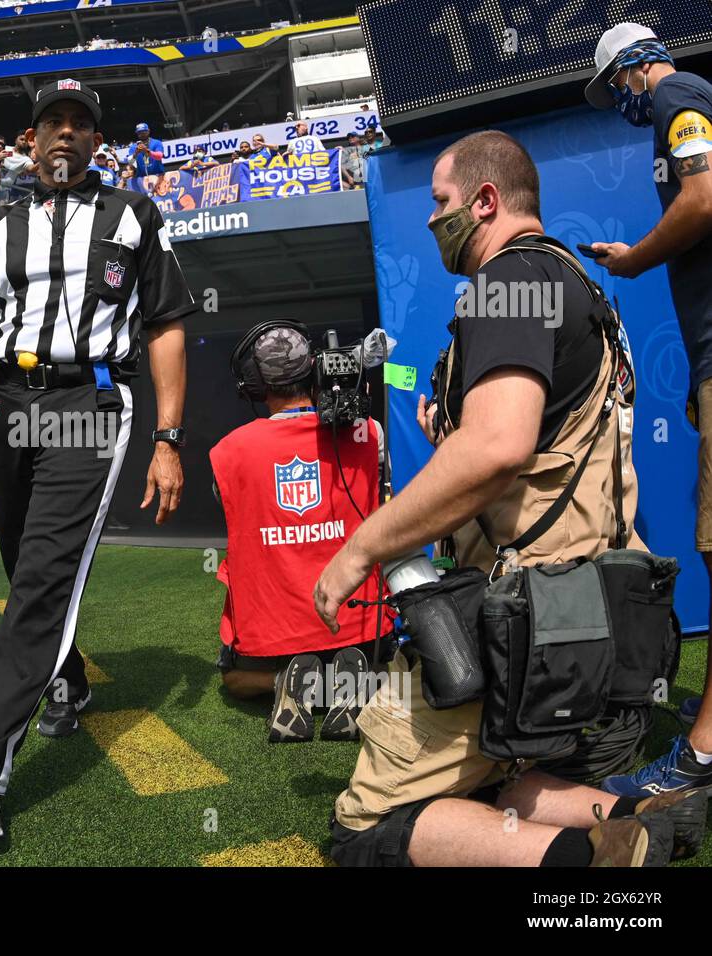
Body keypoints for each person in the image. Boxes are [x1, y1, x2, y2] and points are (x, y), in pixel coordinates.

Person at [314, 130, 691, 867]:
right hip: (598, 623)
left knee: (363, 831)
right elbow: (543, 444)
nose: (430, 220)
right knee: (494, 791)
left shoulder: (506, 283)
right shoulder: (575, 285)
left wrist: (361, 548)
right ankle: (643, 812)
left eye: (441, 202)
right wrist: (454, 424)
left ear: (485, 201)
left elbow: (499, 448)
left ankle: (602, 862)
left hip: (523, 623)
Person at [0, 79, 194, 839]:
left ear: (96, 141)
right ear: (31, 140)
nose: (65, 133)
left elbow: (163, 326)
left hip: (86, 408)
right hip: (9, 406)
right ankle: (68, 679)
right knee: (19, 560)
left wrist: (167, 438)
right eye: (51, 123)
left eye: (79, 124)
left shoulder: (135, 215)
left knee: (37, 587)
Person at [583, 23, 712, 796]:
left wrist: (634, 257)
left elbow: (703, 196)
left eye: (614, 89)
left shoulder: (677, 96)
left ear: (634, 66)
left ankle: (702, 753)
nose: (618, 105)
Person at [211, 322, 390, 742]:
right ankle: (350, 680)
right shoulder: (370, 434)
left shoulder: (227, 451)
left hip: (275, 636)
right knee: (389, 667)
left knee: (233, 679)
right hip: (360, 623)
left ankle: (290, 682)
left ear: (254, 385)